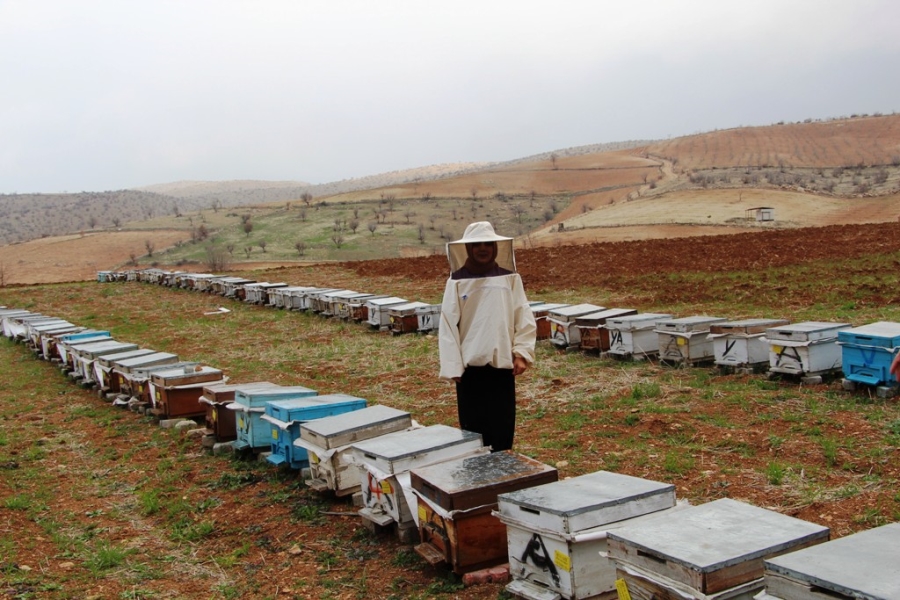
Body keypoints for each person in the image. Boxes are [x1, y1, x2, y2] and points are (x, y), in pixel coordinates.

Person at [438, 221, 537, 452]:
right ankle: (478, 483)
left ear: (495, 248)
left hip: (502, 367)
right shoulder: (456, 281)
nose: (483, 248)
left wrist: (521, 353)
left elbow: (522, 315)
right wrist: (453, 366)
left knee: (502, 433)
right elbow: (448, 325)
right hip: (469, 371)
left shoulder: (509, 278)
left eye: (488, 244)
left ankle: (501, 479)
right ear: (468, 249)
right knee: (474, 435)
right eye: (476, 245)